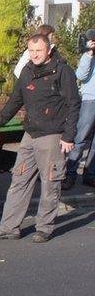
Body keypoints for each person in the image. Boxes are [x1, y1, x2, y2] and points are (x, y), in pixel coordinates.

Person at [0, 34, 80, 243]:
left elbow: (73, 104)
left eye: (39, 51)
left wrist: (69, 136)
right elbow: (15, 100)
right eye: (31, 51)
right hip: (30, 135)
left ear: (48, 50)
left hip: (53, 136)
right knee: (19, 180)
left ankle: (44, 228)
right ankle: (9, 227)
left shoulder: (62, 71)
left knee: (50, 183)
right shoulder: (26, 71)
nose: (34, 55)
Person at [64, 29, 95, 190]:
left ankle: (90, 175)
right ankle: (70, 174)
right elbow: (81, 76)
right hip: (91, 99)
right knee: (80, 139)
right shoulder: (88, 56)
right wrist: (89, 54)